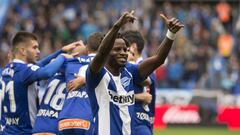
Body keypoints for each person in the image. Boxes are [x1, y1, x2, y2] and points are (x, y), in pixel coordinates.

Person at [86, 11, 184, 135]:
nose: (123, 52)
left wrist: (171, 34)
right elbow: (101, 54)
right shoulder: (96, 74)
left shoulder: (130, 71)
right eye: (117, 49)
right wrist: (118, 25)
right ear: (107, 52)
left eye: (125, 49)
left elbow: (158, 59)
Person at [1, 31, 76, 135]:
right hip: (23, 131)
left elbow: (40, 64)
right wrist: (62, 57)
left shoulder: (6, 70)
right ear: (23, 50)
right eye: (34, 47)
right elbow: (46, 72)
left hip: (6, 130)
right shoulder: (25, 71)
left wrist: (60, 50)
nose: (38, 51)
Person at [32, 41, 86, 135]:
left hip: (39, 126)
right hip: (56, 127)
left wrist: (60, 54)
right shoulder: (77, 77)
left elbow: (35, 66)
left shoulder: (54, 69)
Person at [58, 32, 104, 135]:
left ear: (87, 48)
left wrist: (62, 54)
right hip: (87, 118)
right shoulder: (106, 66)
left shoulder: (69, 62)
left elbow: (47, 69)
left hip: (65, 119)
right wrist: (86, 80)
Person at [123, 30, 156, 135]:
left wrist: (126, 64)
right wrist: (137, 96)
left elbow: (146, 81)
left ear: (133, 46)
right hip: (131, 121)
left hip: (139, 121)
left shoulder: (144, 66)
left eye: (123, 46)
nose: (121, 51)